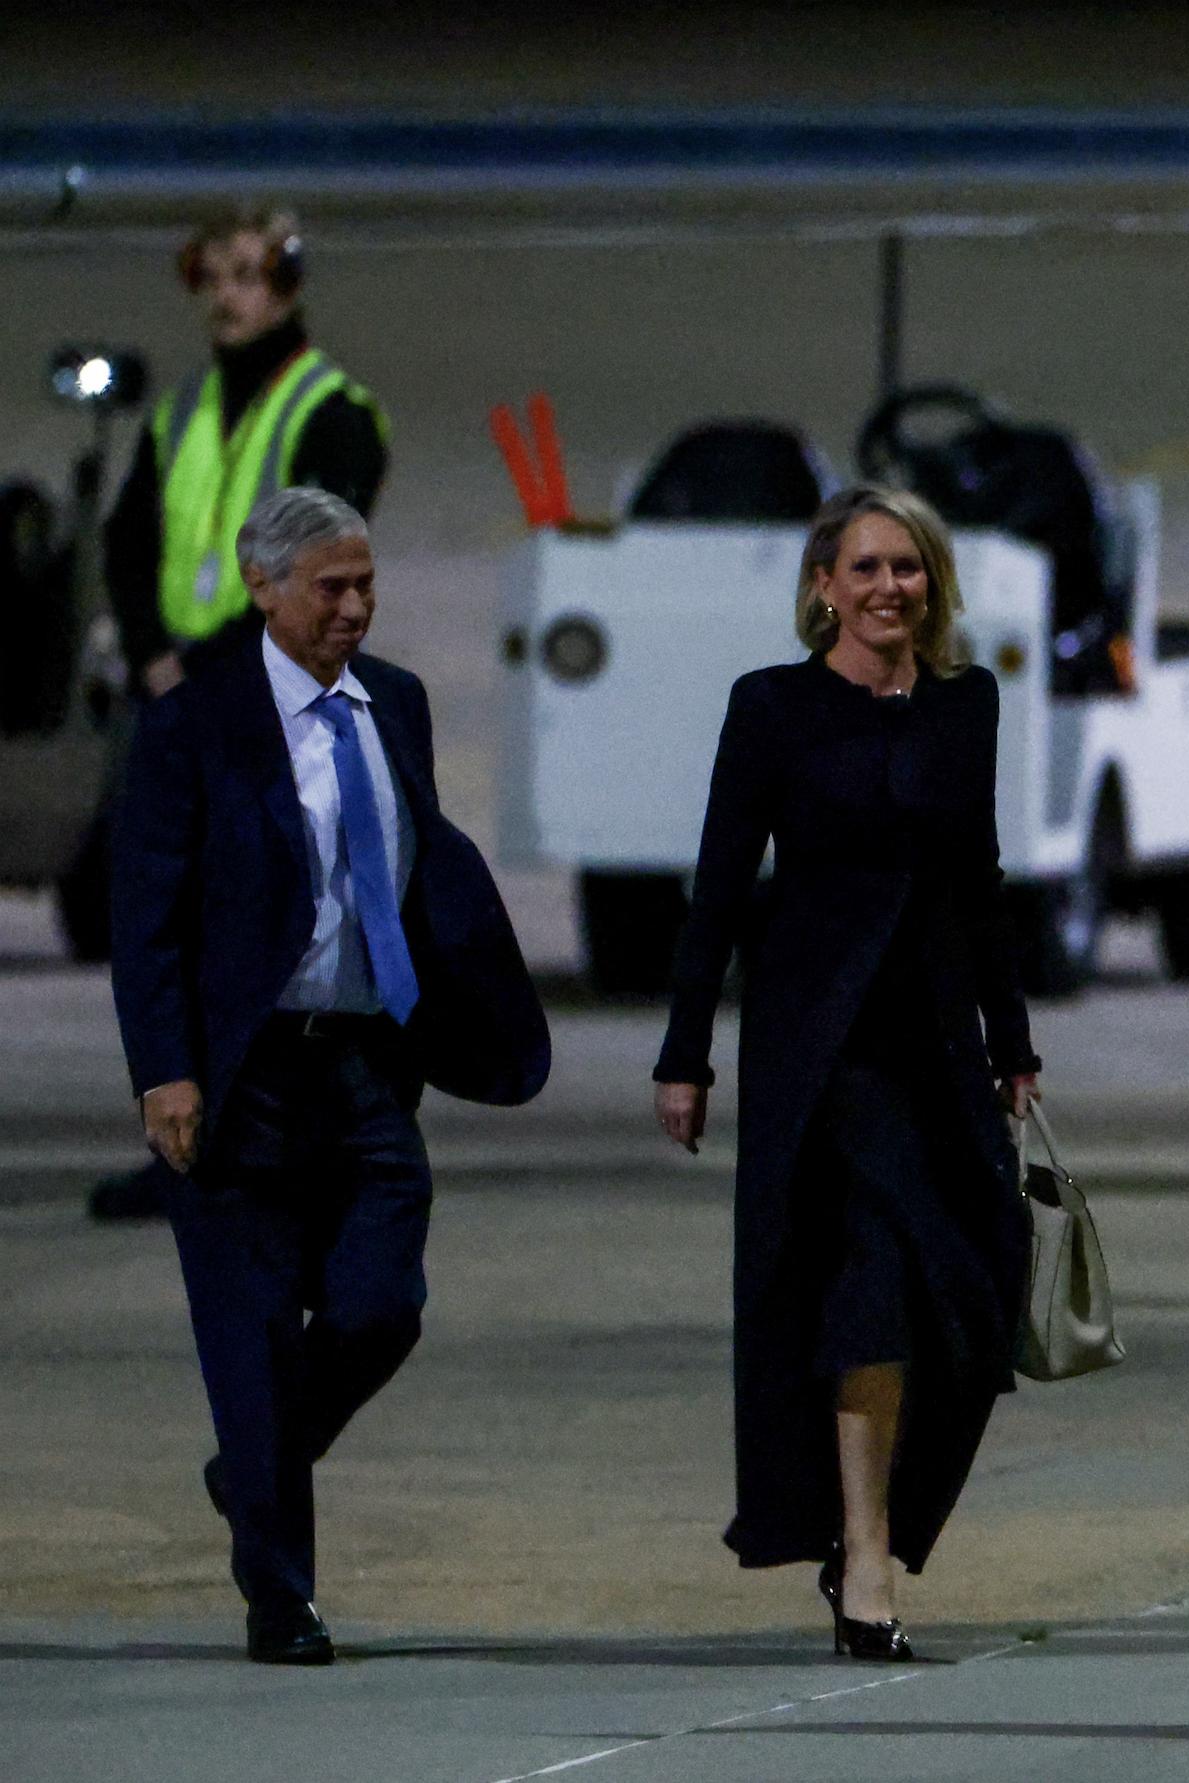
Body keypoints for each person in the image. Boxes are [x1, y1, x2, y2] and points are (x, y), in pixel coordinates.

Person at [108, 487, 548, 1664]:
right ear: (264, 588)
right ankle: (281, 1597)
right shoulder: (195, 724)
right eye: (330, 589)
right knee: (250, 1343)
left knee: (381, 1305)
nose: (355, 608)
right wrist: (165, 1074)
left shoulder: (392, 704)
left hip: (364, 1068)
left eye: (366, 586)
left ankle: (247, 1466)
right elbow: (145, 918)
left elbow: (415, 868)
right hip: (240, 1079)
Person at [652, 485, 1043, 1662]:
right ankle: (864, 1553)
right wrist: (686, 1054)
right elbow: (720, 884)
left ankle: (874, 1528)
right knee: (869, 1289)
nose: (889, 590)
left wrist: (1011, 1040)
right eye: (867, 569)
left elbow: (979, 880)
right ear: (823, 585)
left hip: (937, 1048)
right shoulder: (772, 709)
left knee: (974, 1300)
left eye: (909, 569)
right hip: (822, 1057)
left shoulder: (964, 706)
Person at [90, 204, 390, 1225]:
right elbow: (130, 539)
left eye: (249, 274)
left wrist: (201, 672)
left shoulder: (331, 410)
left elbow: (316, 567)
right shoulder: (178, 412)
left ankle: (265, 1136)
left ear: (289, 285)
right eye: (213, 275)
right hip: (180, 701)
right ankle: (181, 1128)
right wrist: (149, 657)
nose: (228, 295)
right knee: (172, 924)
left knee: (262, 926)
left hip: (263, 704)